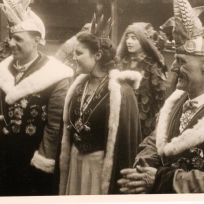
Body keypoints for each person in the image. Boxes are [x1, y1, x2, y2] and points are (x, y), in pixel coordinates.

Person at [118, 0, 204, 194]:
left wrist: (157, 179)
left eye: (181, 61)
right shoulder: (176, 101)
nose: (173, 68)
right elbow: (154, 142)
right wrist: (143, 167)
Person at [0, 0, 73, 196]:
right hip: (4, 157)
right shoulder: (3, 70)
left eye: (18, 39)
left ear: (37, 41)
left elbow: (54, 126)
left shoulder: (55, 75)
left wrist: (43, 160)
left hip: (33, 162)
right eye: (11, 38)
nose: (11, 43)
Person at [59, 16, 142, 195]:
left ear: (97, 55)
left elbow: (125, 146)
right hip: (75, 163)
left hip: (98, 170)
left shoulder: (121, 92)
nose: (74, 58)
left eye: (79, 53)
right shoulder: (79, 85)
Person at [116, 23, 167, 139]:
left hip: (144, 123)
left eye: (134, 38)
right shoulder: (121, 63)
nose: (129, 41)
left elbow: (160, 100)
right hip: (121, 118)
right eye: (127, 38)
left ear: (143, 41)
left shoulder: (153, 65)